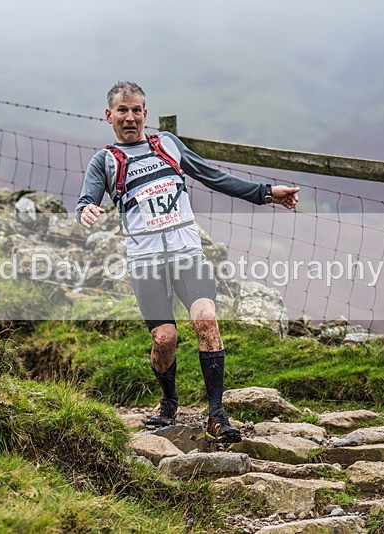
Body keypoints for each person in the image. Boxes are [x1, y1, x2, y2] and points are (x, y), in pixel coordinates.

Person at [76, 81, 299, 443]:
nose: (129, 117)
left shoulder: (167, 145)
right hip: (146, 262)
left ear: (145, 114)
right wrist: (87, 208)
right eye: (122, 111)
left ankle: (216, 415)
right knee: (165, 339)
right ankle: (168, 402)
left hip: (187, 255)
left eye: (136, 110)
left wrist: (266, 193)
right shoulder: (105, 161)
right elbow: (86, 198)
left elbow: (214, 176)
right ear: (109, 116)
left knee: (206, 321)